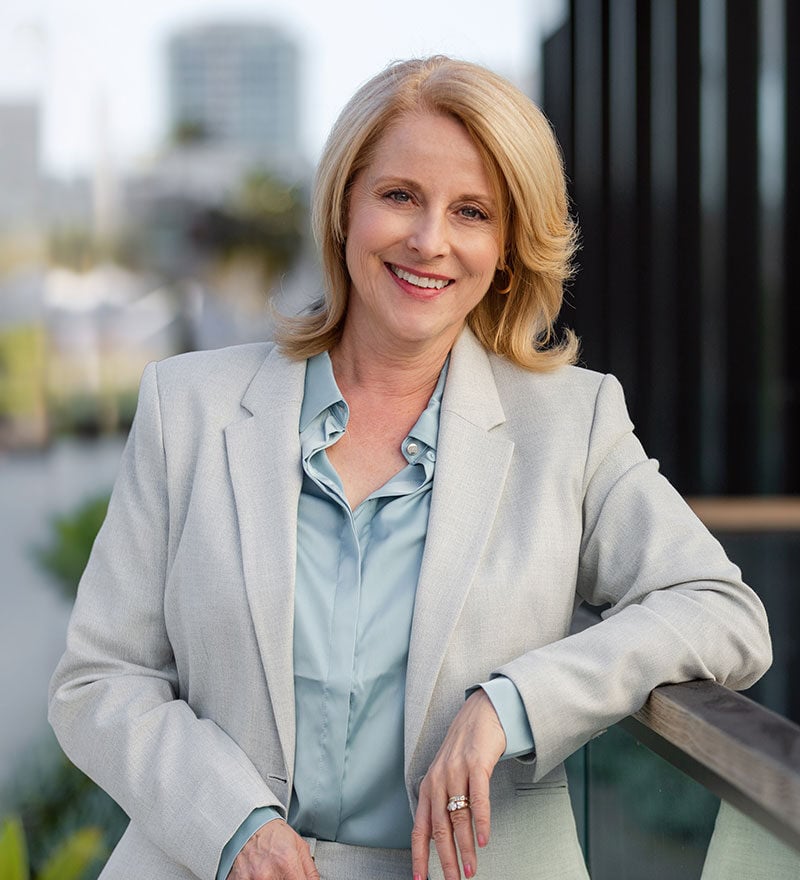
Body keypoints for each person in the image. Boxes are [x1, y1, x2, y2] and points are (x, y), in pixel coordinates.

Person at [48, 56, 771, 880]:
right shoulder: (189, 406)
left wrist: (512, 703)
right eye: (399, 196)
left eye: (472, 211)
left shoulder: (571, 424)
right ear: (344, 207)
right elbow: (99, 680)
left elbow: (723, 613)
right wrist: (233, 824)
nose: (430, 240)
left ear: (505, 249)